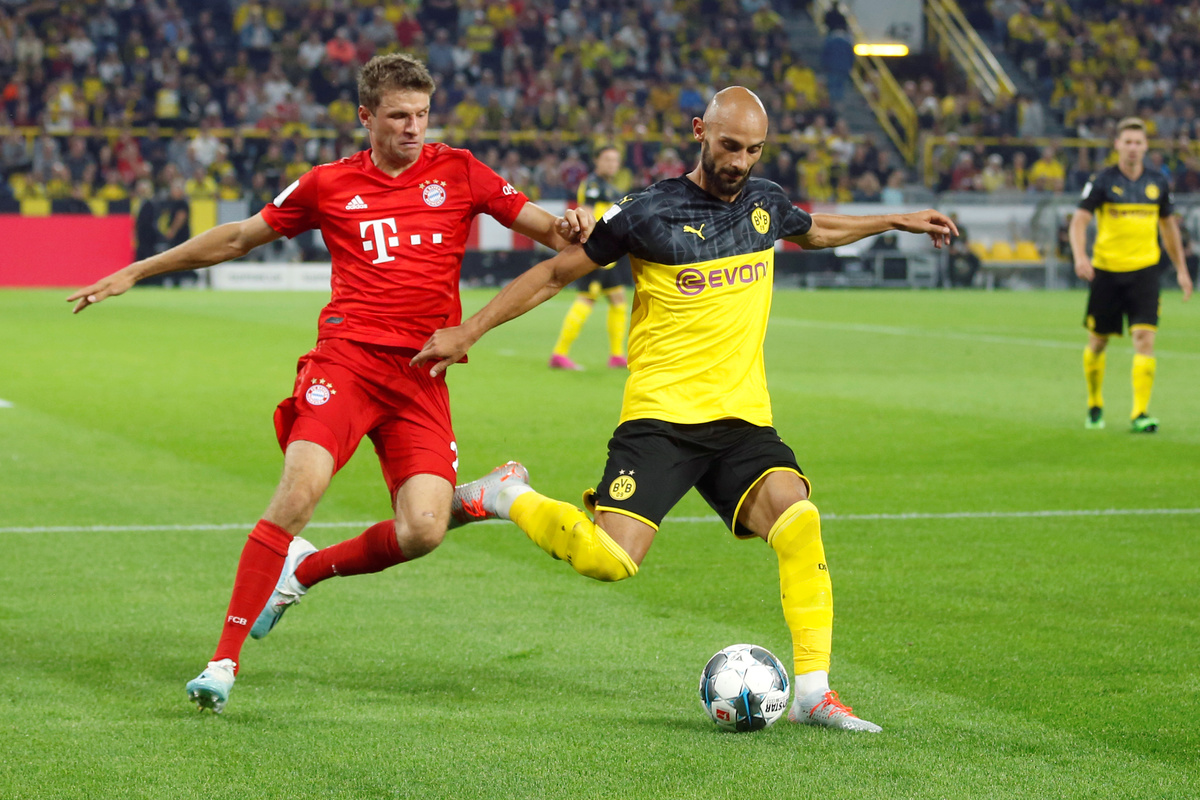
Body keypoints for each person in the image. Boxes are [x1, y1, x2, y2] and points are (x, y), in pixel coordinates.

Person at [412, 87, 957, 733]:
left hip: (741, 419)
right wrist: (470, 330)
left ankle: (814, 693)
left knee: (799, 519)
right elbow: (556, 274)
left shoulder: (765, 202)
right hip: (662, 417)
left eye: (753, 150)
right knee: (609, 561)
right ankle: (505, 494)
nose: (740, 162)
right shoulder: (647, 212)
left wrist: (895, 220)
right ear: (700, 131)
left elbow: (813, 231)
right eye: (730, 146)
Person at [68, 54, 593, 714]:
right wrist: (137, 270)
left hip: (420, 375)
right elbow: (238, 238)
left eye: (422, 115)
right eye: (398, 116)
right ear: (365, 117)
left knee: (423, 530)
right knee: (298, 492)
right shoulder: (328, 183)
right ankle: (223, 662)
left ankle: (305, 570)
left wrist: (573, 222)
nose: (413, 128)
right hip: (345, 363)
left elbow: (553, 234)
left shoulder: (460, 171)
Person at [1069, 117, 1193, 433]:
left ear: (1146, 146)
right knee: (1098, 342)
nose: (1133, 148)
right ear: (1118, 145)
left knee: (1144, 338)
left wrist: (1181, 270)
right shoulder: (1102, 181)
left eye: (1138, 142)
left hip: (1144, 272)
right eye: (1128, 142)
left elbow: (1168, 228)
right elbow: (1079, 221)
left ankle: (1140, 413)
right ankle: (1094, 403)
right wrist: (1081, 256)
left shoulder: (1158, 183)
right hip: (1107, 271)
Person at [549, 145, 631, 370]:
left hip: (610, 254)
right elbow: (586, 215)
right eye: (607, 159)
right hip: (596, 252)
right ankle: (559, 354)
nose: (612, 164)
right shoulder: (593, 184)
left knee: (618, 300)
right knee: (587, 299)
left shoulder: (610, 188)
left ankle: (616, 355)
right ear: (597, 161)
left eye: (615, 160)